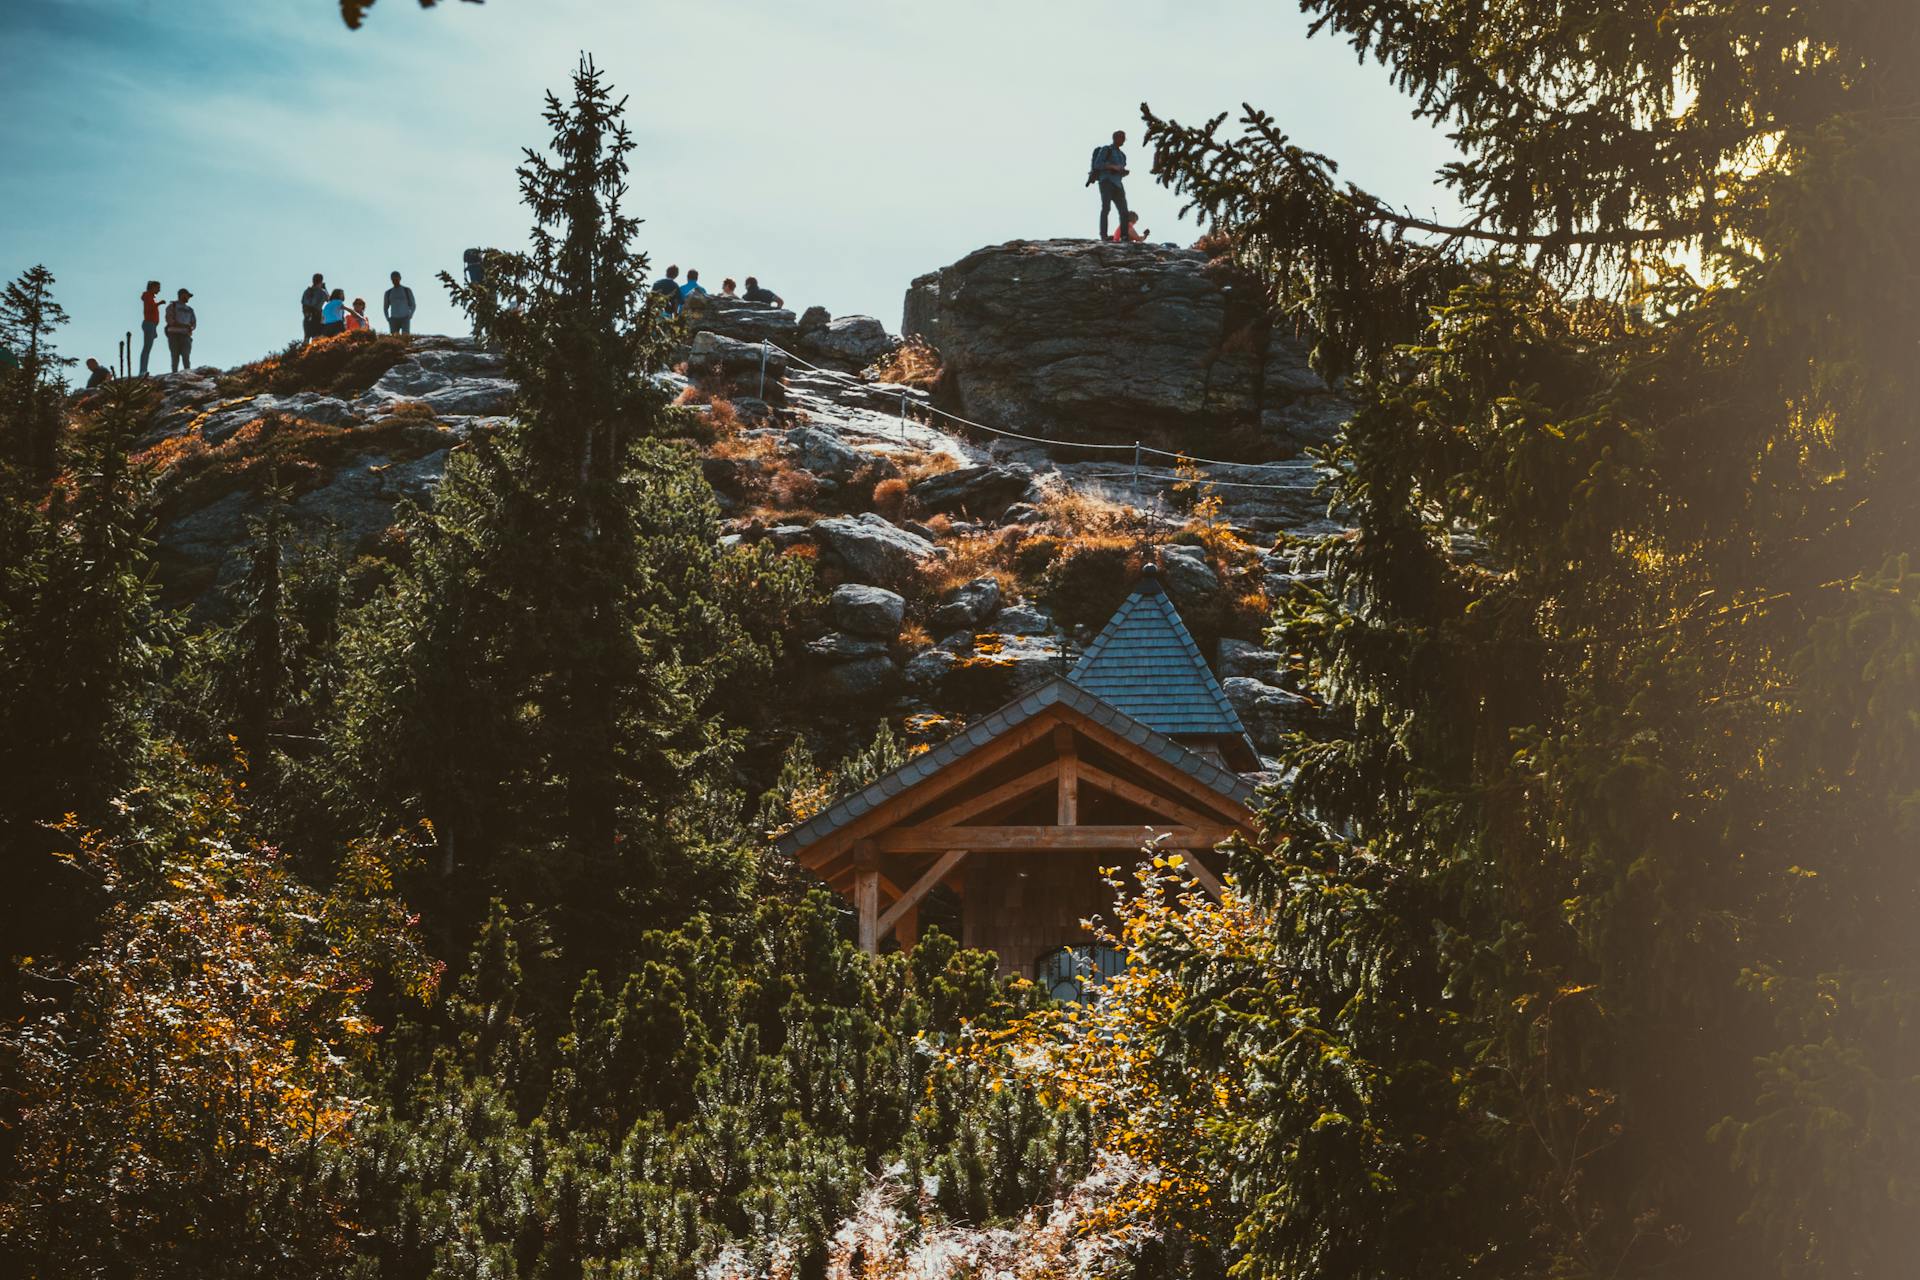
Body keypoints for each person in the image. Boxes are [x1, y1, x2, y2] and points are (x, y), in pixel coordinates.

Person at [1087, 129, 1131, 241]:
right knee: (1106, 208)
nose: (1123, 140)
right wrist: (1113, 167)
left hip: (1118, 184)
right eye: (1122, 137)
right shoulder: (1106, 149)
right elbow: (1098, 164)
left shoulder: (1122, 155)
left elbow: (1120, 168)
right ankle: (1104, 235)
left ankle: (1124, 236)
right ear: (1115, 138)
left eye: (1124, 138)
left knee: (1124, 211)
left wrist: (1123, 172)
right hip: (1106, 181)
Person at [164, 288, 197, 373]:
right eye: (187, 296)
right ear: (182, 295)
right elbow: (170, 320)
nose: (188, 298)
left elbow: (194, 323)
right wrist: (185, 325)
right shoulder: (172, 306)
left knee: (186, 356)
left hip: (185, 335)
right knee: (175, 357)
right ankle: (174, 374)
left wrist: (190, 328)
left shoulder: (190, 309)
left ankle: (188, 374)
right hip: (173, 334)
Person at [139, 279, 162, 376]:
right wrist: (159, 304)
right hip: (149, 324)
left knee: (148, 348)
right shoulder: (148, 296)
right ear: (152, 287)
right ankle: (143, 371)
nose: (159, 290)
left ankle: (143, 370)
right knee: (146, 348)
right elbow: (149, 309)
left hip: (152, 325)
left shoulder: (150, 297)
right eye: (157, 288)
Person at [301, 273, 329, 342]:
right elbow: (329, 300)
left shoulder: (307, 291)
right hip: (317, 316)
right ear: (321, 281)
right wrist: (325, 289)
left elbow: (303, 302)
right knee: (317, 337)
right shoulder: (322, 292)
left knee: (307, 336)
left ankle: (303, 351)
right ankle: (313, 351)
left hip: (307, 316)